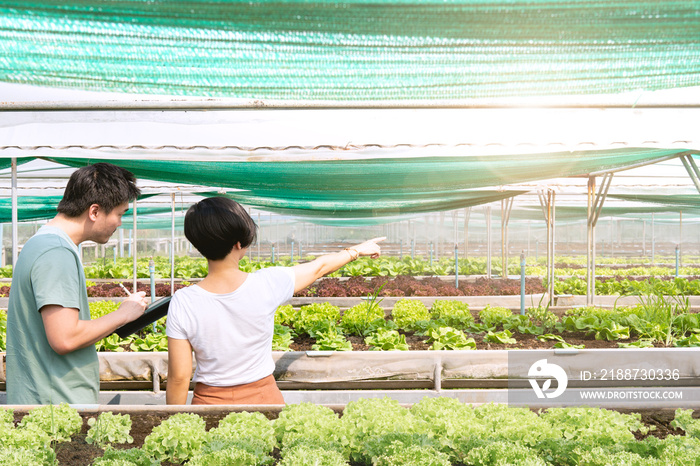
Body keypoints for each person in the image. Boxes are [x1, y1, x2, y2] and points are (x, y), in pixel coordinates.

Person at [166, 197, 384, 405]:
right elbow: (318, 267)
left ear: (198, 245)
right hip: (263, 399)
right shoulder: (267, 283)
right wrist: (356, 251)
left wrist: (173, 424)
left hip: (208, 402)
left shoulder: (183, 301)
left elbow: (179, 377)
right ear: (239, 243)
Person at [6, 163, 148, 405]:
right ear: (94, 211)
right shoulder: (56, 251)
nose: (119, 223)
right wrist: (124, 314)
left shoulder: (42, 243)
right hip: (56, 407)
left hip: (47, 402)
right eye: (120, 214)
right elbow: (65, 338)